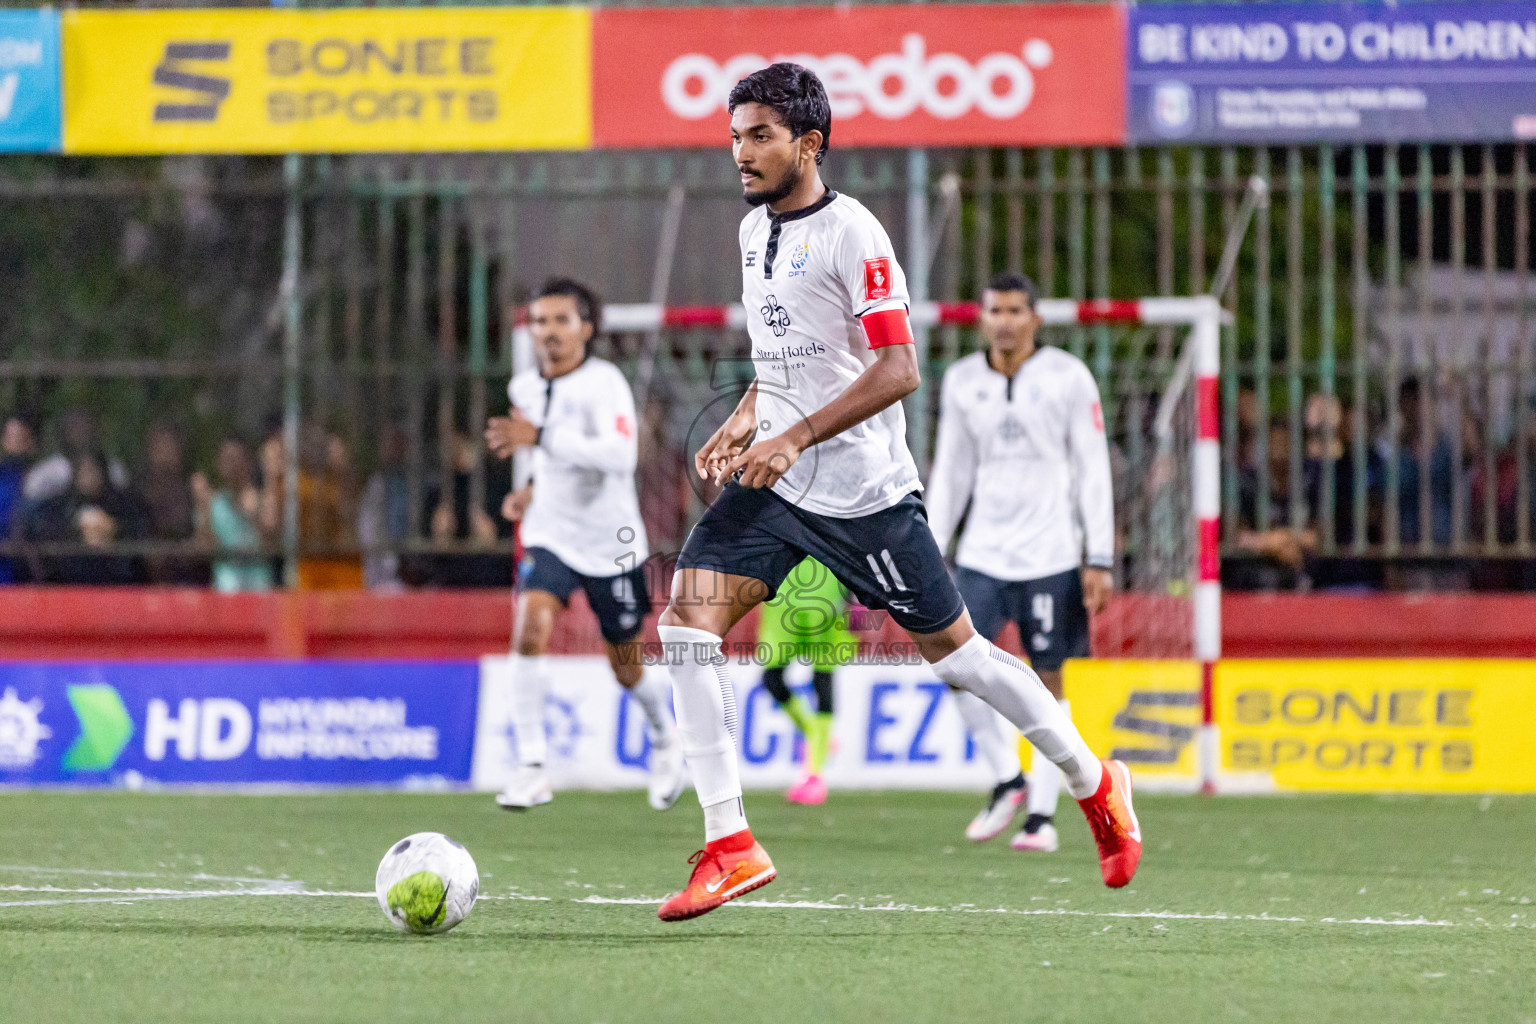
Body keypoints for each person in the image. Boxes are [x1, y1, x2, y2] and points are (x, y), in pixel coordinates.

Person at [651, 64, 1140, 923]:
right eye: (735, 136)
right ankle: (729, 842)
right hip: (779, 487)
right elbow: (791, 354)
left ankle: (1094, 783)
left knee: (961, 659)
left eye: (759, 135)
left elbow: (898, 367)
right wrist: (750, 415)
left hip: (865, 495)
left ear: (810, 143)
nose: (741, 152)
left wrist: (797, 433)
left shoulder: (855, 234)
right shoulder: (750, 232)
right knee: (686, 624)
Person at [926, 272, 1115, 854]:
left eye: (1014, 310)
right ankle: (1005, 779)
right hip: (982, 553)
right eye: (993, 311)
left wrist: (1099, 554)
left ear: (1035, 318)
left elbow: (1091, 466)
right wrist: (929, 547)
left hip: (1051, 554)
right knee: (952, 664)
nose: (1003, 321)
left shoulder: (1067, 377)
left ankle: (1041, 816)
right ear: (980, 319)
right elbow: (951, 471)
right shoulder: (961, 382)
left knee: (1048, 680)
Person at [484, 277, 684, 814]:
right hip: (552, 535)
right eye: (540, 321)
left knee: (624, 662)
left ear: (586, 328)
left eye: (560, 321)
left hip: (610, 543)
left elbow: (620, 457)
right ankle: (531, 766)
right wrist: (528, 490)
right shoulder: (525, 387)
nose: (547, 332)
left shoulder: (605, 384)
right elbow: (544, 460)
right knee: (529, 628)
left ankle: (665, 738)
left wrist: (541, 440)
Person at [756, 556, 854, 805]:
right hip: (784, 585)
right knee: (771, 677)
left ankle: (814, 775)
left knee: (822, 674)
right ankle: (816, 735)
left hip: (825, 574)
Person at [193, 438, 274, 593]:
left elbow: (272, 544)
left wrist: (254, 514)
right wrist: (202, 509)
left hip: (260, 590)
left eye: (237, 459)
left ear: (248, 462)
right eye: (227, 460)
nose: (233, 466)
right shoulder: (213, 504)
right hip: (225, 592)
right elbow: (205, 550)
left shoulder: (263, 500)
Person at [0, 415, 38, 583]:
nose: (17, 443)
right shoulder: (3, 479)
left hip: (33, 572)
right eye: (12, 437)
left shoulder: (43, 477)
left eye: (22, 438)